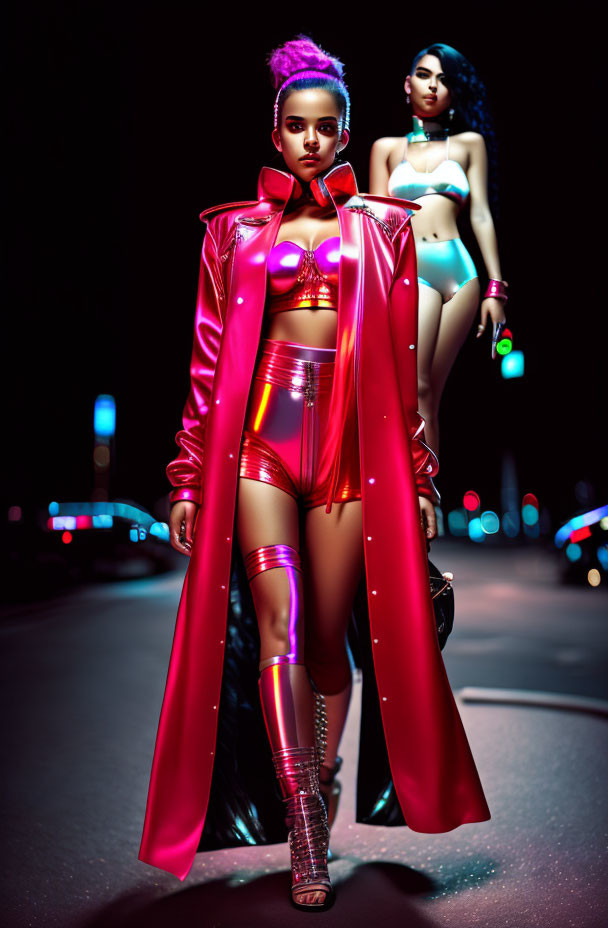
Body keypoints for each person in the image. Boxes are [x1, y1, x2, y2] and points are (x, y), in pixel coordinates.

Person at [139, 35, 490, 911]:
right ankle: (303, 820)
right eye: (293, 126)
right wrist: (188, 477)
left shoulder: (383, 228)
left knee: (330, 645)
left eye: (322, 126)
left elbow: (404, 363)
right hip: (261, 441)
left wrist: (418, 473)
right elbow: (209, 361)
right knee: (280, 628)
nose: (306, 140)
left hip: (349, 452)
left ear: (343, 132)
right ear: (275, 128)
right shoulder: (234, 231)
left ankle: (322, 776)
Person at [370, 42, 508, 454]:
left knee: (428, 391)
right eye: (425, 75)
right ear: (407, 83)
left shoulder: (469, 144)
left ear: (453, 92)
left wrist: (496, 288)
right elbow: (379, 223)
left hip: (459, 271)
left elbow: (481, 214)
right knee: (414, 388)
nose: (433, 86)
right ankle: (417, 503)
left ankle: (426, 504)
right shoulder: (386, 148)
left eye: (444, 79)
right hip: (409, 270)